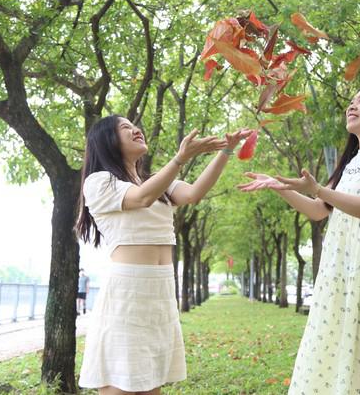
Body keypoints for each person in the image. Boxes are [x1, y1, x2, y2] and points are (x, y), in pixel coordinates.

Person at [239, 83, 360, 394]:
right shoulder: (350, 162)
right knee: (339, 346)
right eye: (352, 100)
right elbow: (320, 210)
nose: (352, 106)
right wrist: (281, 188)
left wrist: (318, 189)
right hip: (341, 271)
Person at [76, 114, 251, 395]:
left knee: (150, 382)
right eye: (125, 128)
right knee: (119, 382)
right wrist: (179, 159)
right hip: (128, 291)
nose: (136, 130)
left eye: (135, 126)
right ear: (107, 141)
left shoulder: (155, 181)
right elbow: (141, 198)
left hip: (160, 288)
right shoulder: (99, 182)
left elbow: (193, 193)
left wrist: (226, 151)